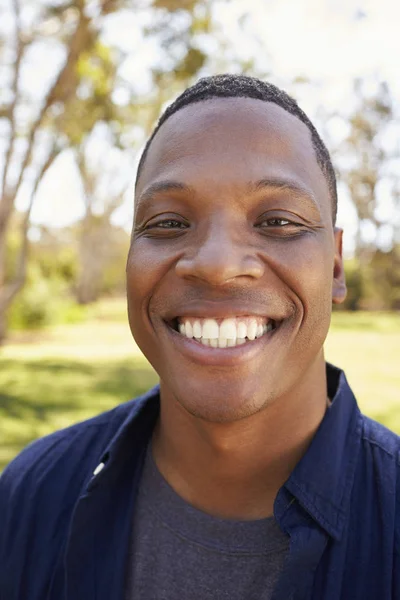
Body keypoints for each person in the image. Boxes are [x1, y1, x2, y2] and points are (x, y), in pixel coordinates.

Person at [0, 74, 399, 600]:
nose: (216, 264)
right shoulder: (32, 494)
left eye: (277, 220)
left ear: (335, 266)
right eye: (168, 224)